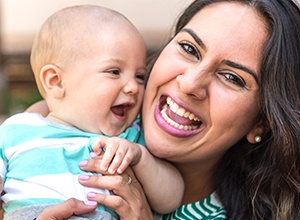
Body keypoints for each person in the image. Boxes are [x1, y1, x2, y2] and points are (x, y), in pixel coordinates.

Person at [30, 0, 300, 219]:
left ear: (261, 123)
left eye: (232, 77)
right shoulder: (103, 116)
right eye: (188, 48)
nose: (190, 83)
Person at [0, 5, 185, 220]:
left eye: (140, 76)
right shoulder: (18, 130)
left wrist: (140, 157)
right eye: (114, 72)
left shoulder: (128, 140)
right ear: (56, 81)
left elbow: (171, 198)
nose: (133, 87)